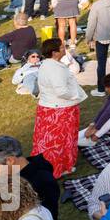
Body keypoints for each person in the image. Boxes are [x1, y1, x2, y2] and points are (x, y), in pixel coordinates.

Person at [32, 37, 85, 177]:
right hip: (60, 110)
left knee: (46, 140)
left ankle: (46, 166)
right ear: (54, 52)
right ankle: (61, 168)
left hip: (47, 107)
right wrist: (75, 96)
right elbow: (61, 91)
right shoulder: (55, 68)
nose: (64, 49)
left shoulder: (46, 64)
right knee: (61, 141)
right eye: (61, 48)